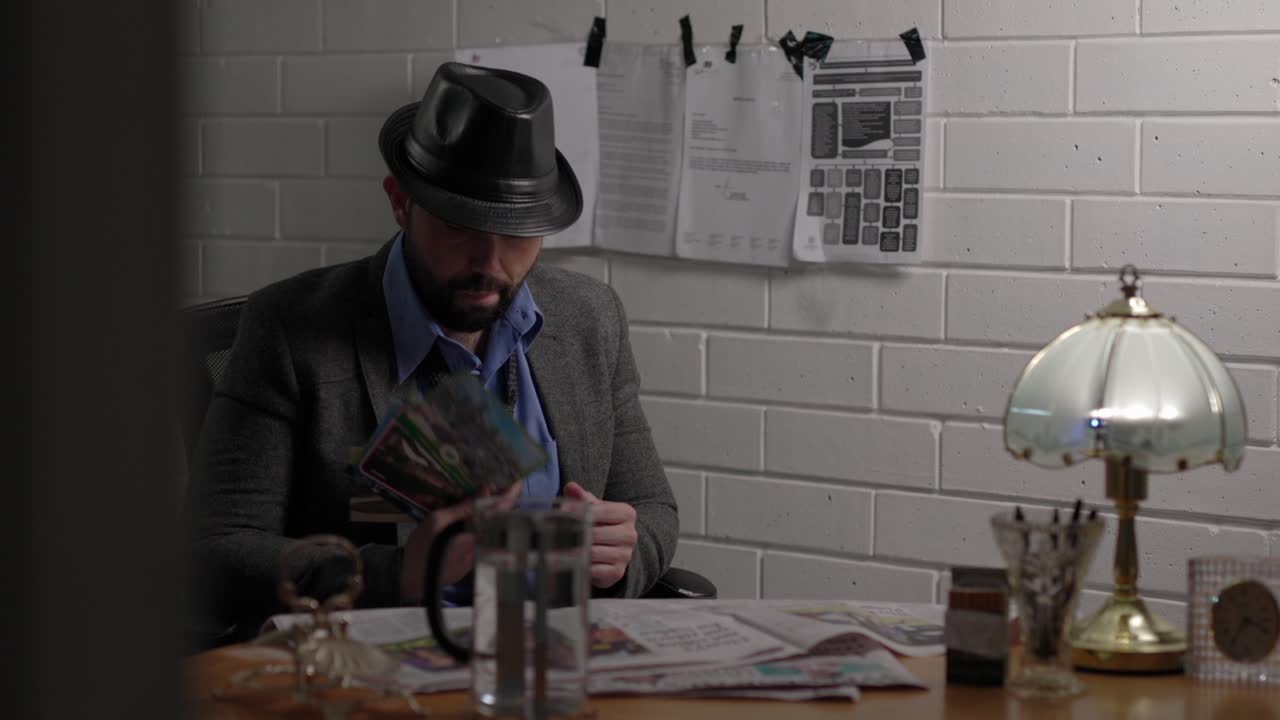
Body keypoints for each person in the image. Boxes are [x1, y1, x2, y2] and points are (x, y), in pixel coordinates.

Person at [188, 62, 678, 638]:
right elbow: (214, 553)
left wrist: (619, 557)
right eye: (459, 226)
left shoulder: (592, 318)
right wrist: (394, 572)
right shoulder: (292, 328)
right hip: (375, 664)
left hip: (550, 651)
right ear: (401, 202)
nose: (491, 267)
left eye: (517, 233)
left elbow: (652, 510)